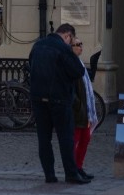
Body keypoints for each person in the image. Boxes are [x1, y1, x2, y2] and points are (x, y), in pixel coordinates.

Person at [28, 23, 90, 184]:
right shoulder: (63, 49)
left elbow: (31, 65)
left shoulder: (38, 45)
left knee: (44, 139)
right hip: (59, 99)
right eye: (71, 40)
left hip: (38, 99)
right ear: (67, 36)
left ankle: (49, 175)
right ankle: (71, 173)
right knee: (65, 138)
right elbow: (78, 71)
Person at [71, 39, 97, 180]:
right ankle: (73, 168)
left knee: (85, 139)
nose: (81, 47)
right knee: (76, 140)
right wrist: (78, 105)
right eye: (78, 44)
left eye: (82, 44)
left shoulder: (79, 63)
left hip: (85, 110)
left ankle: (79, 167)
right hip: (77, 110)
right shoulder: (70, 64)